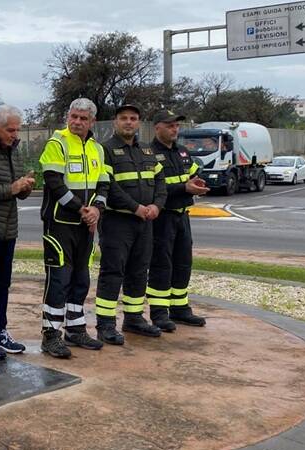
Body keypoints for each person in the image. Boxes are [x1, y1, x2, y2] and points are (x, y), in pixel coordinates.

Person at [93, 104, 167, 345]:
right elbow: (109, 186)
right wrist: (135, 208)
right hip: (118, 221)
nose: (128, 122)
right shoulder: (105, 150)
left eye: (133, 118)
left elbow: (160, 181)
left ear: (138, 123)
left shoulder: (147, 151)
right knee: (113, 272)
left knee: (139, 269)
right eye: (123, 118)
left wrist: (157, 205)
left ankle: (134, 318)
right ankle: (105, 324)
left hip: (145, 222)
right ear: (115, 122)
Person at [37, 98, 106, 358]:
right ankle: (51, 335)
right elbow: (55, 183)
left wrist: (97, 209)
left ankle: (75, 330)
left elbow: (104, 184)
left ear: (92, 121)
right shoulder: (57, 143)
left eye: (82, 118)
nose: (76, 122)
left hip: (85, 227)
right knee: (59, 280)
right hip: (60, 225)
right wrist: (82, 209)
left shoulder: (97, 149)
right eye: (73, 116)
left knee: (81, 279)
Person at [146, 109, 209, 331]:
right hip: (162, 218)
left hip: (182, 216)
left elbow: (192, 174)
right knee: (161, 265)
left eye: (177, 125)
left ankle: (180, 309)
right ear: (158, 127)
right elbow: (153, 188)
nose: (175, 129)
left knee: (183, 263)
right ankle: (159, 313)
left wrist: (197, 183)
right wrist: (185, 188)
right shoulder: (149, 153)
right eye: (170, 125)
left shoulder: (182, 152)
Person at [0, 104, 33, 359]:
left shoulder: (12, 151)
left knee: (3, 283)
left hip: (9, 228)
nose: (15, 135)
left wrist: (24, 186)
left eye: (17, 130)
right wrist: (11, 189)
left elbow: (15, 190)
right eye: (10, 130)